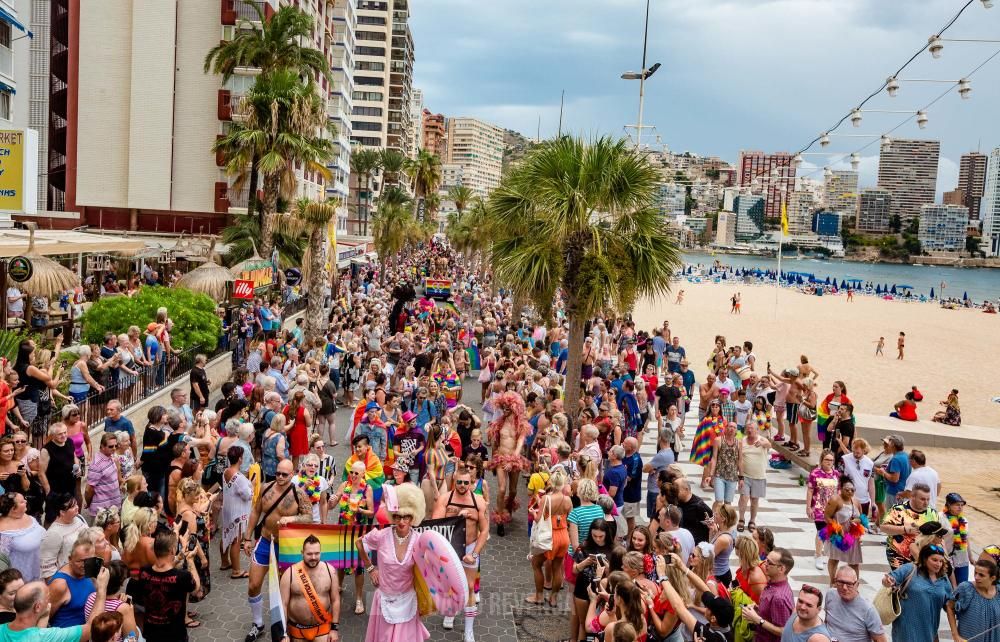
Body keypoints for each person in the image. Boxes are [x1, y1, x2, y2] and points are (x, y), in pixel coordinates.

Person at [242, 458, 314, 642]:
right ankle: (258, 623)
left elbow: (308, 516)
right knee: (253, 584)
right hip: (266, 541)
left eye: (285, 474)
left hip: (287, 547)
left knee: (287, 589)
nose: (280, 477)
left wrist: (292, 519)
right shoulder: (266, 487)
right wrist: (247, 538)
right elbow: (255, 511)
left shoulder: (299, 493)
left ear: (293, 474)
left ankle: (286, 625)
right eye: (278, 473)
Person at [355, 483, 430, 642]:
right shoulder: (381, 535)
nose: (401, 521)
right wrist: (370, 568)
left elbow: (426, 571)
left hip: (407, 600)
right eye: (397, 516)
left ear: (413, 517)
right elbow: (359, 543)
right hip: (385, 600)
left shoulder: (418, 541)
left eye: (406, 517)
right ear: (392, 516)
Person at [430, 465, 490, 636]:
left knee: (470, 587)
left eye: (466, 483)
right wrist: (458, 516)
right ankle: (450, 611)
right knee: (449, 584)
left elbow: (484, 530)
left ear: (471, 483)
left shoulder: (478, 501)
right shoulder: (444, 499)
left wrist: (475, 553)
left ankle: (469, 630)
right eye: (459, 482)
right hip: (450, 547)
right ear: (454, 482)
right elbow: (436, 525)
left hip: (470, 547)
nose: (462, 486)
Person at [2, 571, 110, 642]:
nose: (49, 601)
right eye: (47, 597)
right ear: (38, 607)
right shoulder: (46, 637)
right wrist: (101, 589)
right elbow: (91, 629)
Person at [136, 530, 200, 642]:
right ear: (172, 550)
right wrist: (190, 560)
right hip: (175, 635)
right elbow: (195, 589)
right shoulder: (182, 576)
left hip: (151, 634)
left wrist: (178, 558)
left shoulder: (144, 572)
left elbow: (162, 571)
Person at [881, 543, 952, 642]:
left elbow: (950, 603)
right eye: (934, 560)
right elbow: (889, 579)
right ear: (924, 559)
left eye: (941, 561)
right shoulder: (910, 569)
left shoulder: (943, 579)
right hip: (906, 628)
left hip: (929, 630)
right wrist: (887, 581)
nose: (938, 564)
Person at [279, 534, 340, 642]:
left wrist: (334, 629)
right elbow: (283, 604)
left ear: (321, 552)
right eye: (309, 554)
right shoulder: (290, 573)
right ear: (302, 553)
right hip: (297, 629)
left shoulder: (330, 571)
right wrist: (283, 633)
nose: (313, 557)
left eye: (317, 553)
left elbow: (335, 600)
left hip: (322, 627)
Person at [740, 547, 795, 642]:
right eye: (765, 559)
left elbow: (783, 631)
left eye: (769, 562)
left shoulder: (779, 598)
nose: (764, 564)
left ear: (781, 569)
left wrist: (757, 619)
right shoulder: (774, 583)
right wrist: (758, 609)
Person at [824, 566, 886, 642]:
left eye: (849, 584)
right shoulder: (830, 595)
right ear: (835, 581)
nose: (844, 587)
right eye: (840, 582)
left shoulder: (868, 609)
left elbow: (880, 640)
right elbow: (827, 622)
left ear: (857, 585)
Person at [824, 475, 864, 585]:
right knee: (834, 559)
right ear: (841, 489)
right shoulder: (835, 500)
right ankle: (833, 581)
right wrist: (836, 527)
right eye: (847, 489)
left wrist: (857, 521)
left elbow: (862, 517)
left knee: (854, 562)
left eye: (852, 490)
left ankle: (854, 584)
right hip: (837, 534)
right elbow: (827, 516)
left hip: (852, 535)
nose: (850, 492)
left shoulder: (856, 501)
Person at [947, 558, 1000, 642]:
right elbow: (949, 607)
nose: (976, 577)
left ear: (993, 578)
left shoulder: (999, 592)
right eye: (975, 573)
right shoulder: (966, 589)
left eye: (981, 575)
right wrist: (955, 635)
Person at [47, 540, 97, 628]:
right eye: (80, 561)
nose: (84, 565)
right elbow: (44, 617)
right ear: (70, 559)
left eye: (88, 561)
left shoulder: (90, 572)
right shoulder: (60, 584)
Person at [805, 450, 839, 571]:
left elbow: (838, 491)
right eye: (827, 460)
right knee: (821, 531)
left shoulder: (836, 474)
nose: (829, 462)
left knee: (828, 533)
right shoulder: (815, 473)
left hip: (832, 509)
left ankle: (820, 552)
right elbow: (810, 490)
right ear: (822, 460)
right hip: (818, 508)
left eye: (831, 460)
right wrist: (808, 506)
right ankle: (818, 555)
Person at [0, 494, 44, 582]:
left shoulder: (26, 515)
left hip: (40, 570)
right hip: (22, 580)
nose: (26, 501)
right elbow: (2, 563)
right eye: (22, 502)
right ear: (13, 509)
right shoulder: (4, 532)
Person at [739, 419, 770, 533]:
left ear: (757, 430)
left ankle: (752, 520)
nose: (749, 430)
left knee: (754, 500)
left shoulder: (762, 440)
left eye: (752, 428)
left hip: (759, 476)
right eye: (748, 428)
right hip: (746, 476)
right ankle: (741, 519)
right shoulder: (742, 441)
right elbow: (740, 459)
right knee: (744, 497)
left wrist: (763, 443)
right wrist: (740, 476)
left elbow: (769, 445)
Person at [943, 492, 975, 585]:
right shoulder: (941, 517)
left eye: (961, 505)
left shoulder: (964, 520)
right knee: (948, 586)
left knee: (962, 585)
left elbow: (966, 539)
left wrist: (971, 557)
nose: (960, 507)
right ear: (948, 505)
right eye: (957, 505)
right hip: (946, 558)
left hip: (962, 558)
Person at [874, 434, 909, 511]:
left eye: (889, 442)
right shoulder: (906, 455)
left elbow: (894, 478)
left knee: (892, 516)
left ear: (892, 444)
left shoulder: (896, 459)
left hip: (894, 492)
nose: (887, 444)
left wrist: (883, 472)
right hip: (903, 491)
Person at [676, 477, 713, 545]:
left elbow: (711, 527)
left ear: (686, 489)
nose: (675, 493)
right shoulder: (678, 502)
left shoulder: (700, 507)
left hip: (695, 545)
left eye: (677, 490)